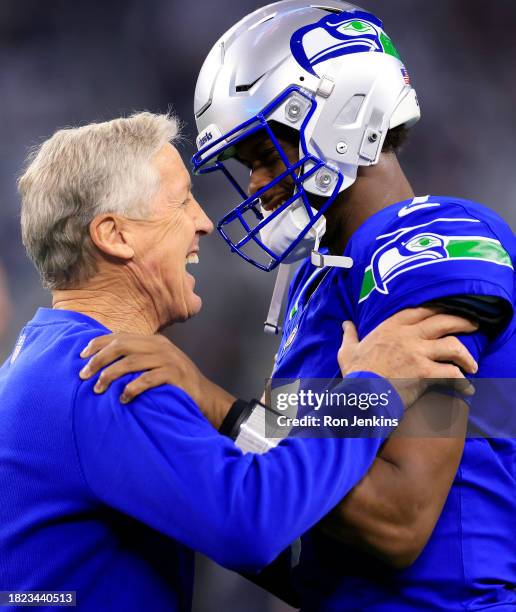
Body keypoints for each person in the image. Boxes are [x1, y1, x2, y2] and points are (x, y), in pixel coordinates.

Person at [82, 2, 516, 611]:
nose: (256, 186)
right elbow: (303, 493)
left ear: (341, 117)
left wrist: (213, 407)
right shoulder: (316, 282)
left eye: (263, 154)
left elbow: (400, 520)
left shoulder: (430, 243)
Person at [0, 112, 476, 612]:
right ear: (115, 235)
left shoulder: (47, 359)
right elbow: (253, 521)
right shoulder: (107, 375)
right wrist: (373, 384)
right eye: (181, 201)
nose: (203, 221)